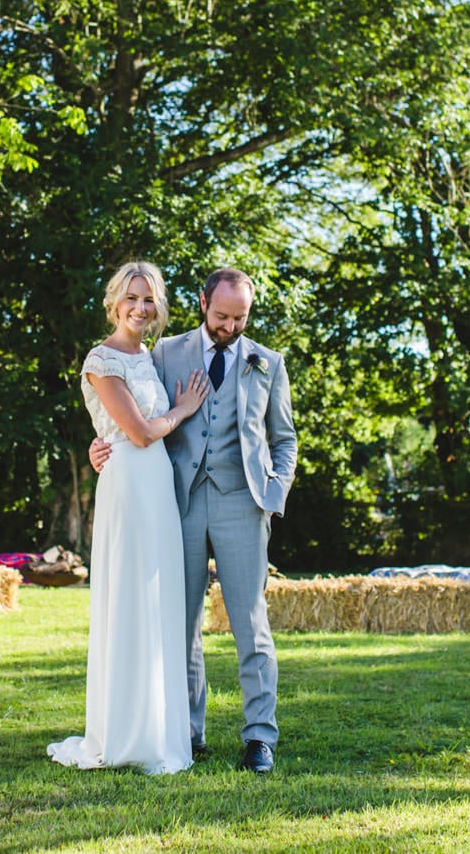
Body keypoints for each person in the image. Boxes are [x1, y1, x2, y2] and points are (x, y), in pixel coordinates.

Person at [90, 266, 298, 774]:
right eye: (223, 315)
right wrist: (98, 447)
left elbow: (285, 439)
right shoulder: (164, 352)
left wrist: (272, 496)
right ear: (204, 303)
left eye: (240, 318)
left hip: (242, 504)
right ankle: (186, 732)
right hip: (176, 500)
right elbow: (133, 413)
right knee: (178, 624)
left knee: (250, 622)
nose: (230, 326)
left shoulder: (267, 363)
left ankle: (259, 738)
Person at [48, 261, 211, 775]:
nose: (140, 309)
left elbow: (137, 435)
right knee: (128, 602)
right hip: (128, 485)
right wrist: (182, 410)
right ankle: (122, 732)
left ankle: (158, 728)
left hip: (157, 485)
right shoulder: (102, 358)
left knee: (157, 604)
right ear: (115, 301)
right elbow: (138, 433)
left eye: (149, 300)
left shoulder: (147, 356)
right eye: (132, 298)